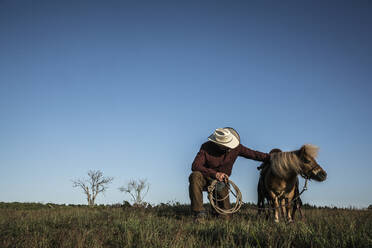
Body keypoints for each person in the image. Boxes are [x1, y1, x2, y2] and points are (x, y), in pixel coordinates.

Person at [189, 127, 270, 222]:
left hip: (222, 182)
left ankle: (216, 211)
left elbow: (253, 154)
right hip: (206, 177)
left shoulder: (237, 148)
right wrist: (215, 174)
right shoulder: (206, 147)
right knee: (195, 176)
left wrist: (271, 157)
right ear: (217, 144)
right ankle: (199, 213)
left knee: (226, 217)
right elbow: (195, 165)